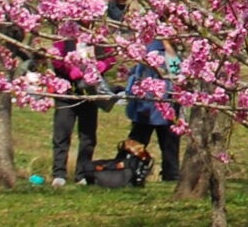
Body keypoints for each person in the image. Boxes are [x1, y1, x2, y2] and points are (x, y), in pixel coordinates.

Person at [48, 30, 112, 186]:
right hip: (66, 91)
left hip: (90, 92)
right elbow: (55, 56)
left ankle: (82, 173)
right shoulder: (65, 35)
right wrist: (68, 70)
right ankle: (59, 173)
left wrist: (103, 65)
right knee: (62, 131)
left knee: (88, 135)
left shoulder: (98, 37)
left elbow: (111, 56)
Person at [121, 39, 181, 184]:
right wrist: (168, 47)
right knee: (167, 142)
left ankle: (125, 168)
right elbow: (176, 71)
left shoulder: (145, 47)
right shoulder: (159, 50)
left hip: (147, 105)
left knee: (138, 139)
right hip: (158, 105)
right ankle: (170, 174)